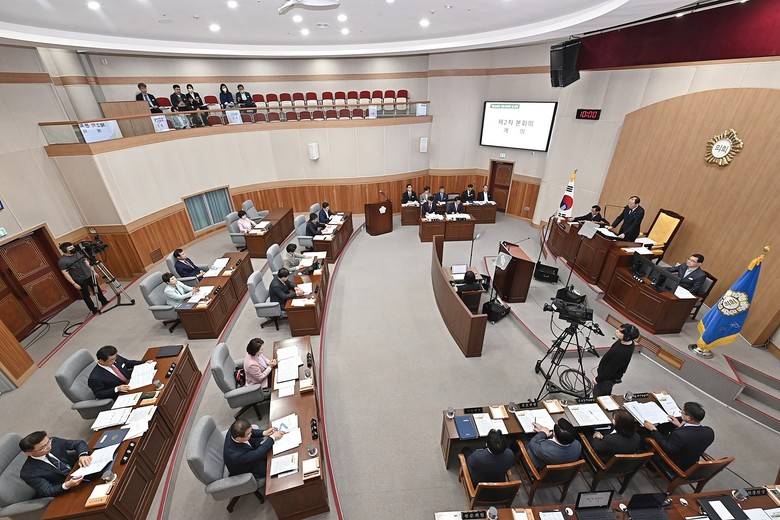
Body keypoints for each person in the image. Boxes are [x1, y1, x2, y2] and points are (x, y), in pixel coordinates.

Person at [643, 401, 714, 471]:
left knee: (644, 435)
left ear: (688, 418)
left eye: (682, 412)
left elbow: (667, 448)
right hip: (689, 463)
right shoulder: (709, 432)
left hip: (673, 465)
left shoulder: (680, 435)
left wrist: (653, 429)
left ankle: (645, 462)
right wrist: (680, 426)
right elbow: (692, 436)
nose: (681, 413)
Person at [19, 431, 91, 498]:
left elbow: (78, 443)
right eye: (43, 448)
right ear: (29, 453)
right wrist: (66, 485)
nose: (49, 446)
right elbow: (47, 490)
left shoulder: (54, 442)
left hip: (80, 469)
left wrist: (83, 455)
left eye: (48, 442)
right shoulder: (28, 472)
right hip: (68, 490)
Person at [58, 241, 108, 315]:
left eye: (72, 246)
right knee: (86, 295)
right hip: (79, 279)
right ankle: (93, 309)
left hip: (89, 275)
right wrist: (74, 283)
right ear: (64, 250)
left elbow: (86, 262)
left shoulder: (78, 253)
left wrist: (93, 271)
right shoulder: (62, 261)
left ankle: (104, 301)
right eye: (70, 248)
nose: (73, 248)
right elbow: (65, 273)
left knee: (97, 288)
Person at [592, 323, 639, 397]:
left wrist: (598, 379)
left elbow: (611, 370)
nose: (617, 331)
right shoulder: (626, 342)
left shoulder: (622, 352)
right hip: (605, 372)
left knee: (599, 396)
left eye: (620, 332)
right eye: (618, 329)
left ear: (627, 337)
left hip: (607, 378)